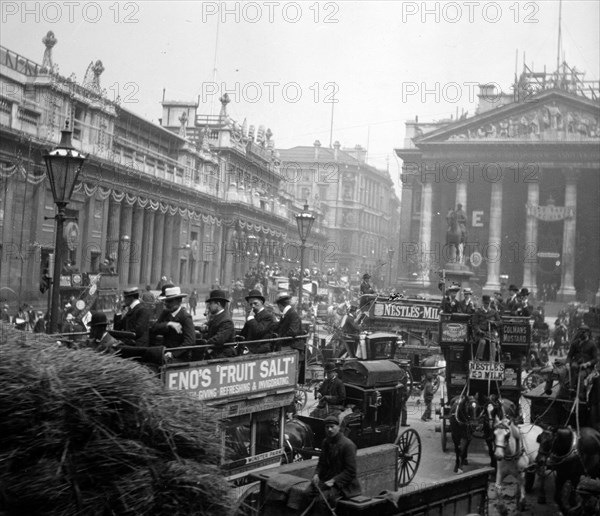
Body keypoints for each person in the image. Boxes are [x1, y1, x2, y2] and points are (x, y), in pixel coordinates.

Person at [307, 414, 361, 514]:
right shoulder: (325, 442)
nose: (330, 430)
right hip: (327, 481)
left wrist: (334, 480)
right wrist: (316, 474)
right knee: (307, 493)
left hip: (344, 485)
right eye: (327, 427)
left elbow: (351, 471)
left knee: (321, 500)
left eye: (332, 427)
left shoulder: (348, 445)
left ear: (338, 427)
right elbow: (321, 463)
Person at [151, 286, 196, 362]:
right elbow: (154, 328)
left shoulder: (185, 317)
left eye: (170, 301)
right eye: (166, 301)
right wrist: (168, 323)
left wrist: (173, 353)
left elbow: (190, 341)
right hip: (164, 352)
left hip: (180, 357)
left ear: (179, 301)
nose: (166, 304)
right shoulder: (165, 313)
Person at [274, 292, 305, 381]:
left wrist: (280, 339)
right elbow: (278, 327)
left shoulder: (292, 314)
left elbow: (293, 331)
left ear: (280, 305)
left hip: (293, 346)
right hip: (289, 345)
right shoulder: (287, 314)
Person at [200, 289, 236, 359]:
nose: (208, 306)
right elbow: (211, 325)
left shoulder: (226, 321)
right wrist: (205, 326)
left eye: (210, 303)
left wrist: (204, 344)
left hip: (224, 354)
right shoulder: (217, 317)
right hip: (214, 350)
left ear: (218, 304)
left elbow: (219, 339)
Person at [240, 289, 277, 354]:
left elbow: (259, 331)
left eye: (255, 303)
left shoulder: (268, 316)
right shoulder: (252, 315)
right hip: (249, 347)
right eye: (250, 304)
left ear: (262, 303)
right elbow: (244, 333)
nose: (252, 306)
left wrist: (251, 319)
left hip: (261, 348)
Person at [566, 325, 599, 398]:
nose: (581, 334)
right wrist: (567, 363)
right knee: (573, 367)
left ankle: (580, 394)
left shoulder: (592, 344)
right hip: (576, 364)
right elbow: (569, 356)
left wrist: (588, 363)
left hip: (587, 368)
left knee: (581, 375)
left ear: (587, 333)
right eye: (580, 332)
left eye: (583, 333)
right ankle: (571, 389)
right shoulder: (575, 343)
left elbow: (596, 359)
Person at [472, 295, 501, 360]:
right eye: (485, 303)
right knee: (482, 342)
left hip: (491, 333)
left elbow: (500, 322)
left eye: (488, 303)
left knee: (492, 343)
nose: (487, 305)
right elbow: (474, 324)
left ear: (490, 303)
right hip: (481, 334)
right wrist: (479, 330)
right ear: (483, 303)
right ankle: (478, 358)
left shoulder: (494, 312)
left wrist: (493, 323)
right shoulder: (478, 312)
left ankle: (492, 361)